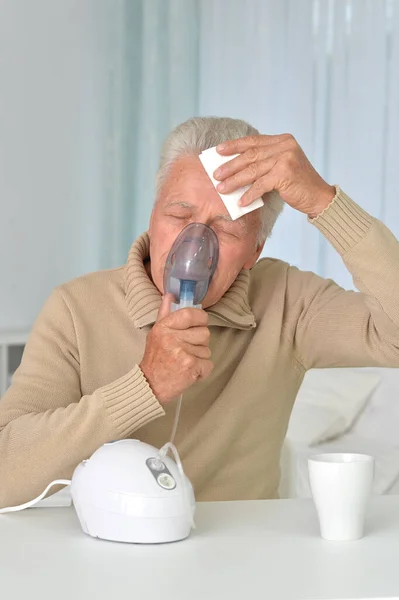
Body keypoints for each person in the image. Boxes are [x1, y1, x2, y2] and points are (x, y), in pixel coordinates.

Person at [1, 116, 399, 508]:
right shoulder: (78, 309)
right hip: (115, 554)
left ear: (254, 252)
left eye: (224, 229)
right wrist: (146, 386)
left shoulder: (288, 301)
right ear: (153, 216)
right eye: (178, 216)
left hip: (243, 556)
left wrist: (325, 203)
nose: (194, 245)